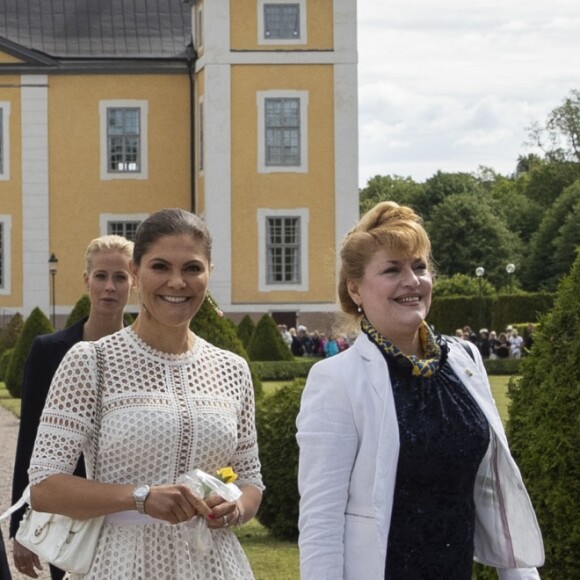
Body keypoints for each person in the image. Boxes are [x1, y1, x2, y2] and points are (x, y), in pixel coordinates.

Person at [296, 201, 543, 579]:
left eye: (419, 266)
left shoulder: (466, 359)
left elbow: (492, 488)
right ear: (355, 289)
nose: (411, 281)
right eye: (392, 269)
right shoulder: (336, 380)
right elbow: (320, 520)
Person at [27, 208, 263, 579]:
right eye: (160, 267)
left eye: (192, 268)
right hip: (119, 562)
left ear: (209, 274)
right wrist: (140, 497)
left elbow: (249, 479)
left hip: (214, 565)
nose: (176, 282)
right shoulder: (93, 361)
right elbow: (44, 486)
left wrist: (234, 508)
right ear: (136, 274)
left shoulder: (232, 368)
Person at [10, 234, 134, 580]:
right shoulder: (49, 350)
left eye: (120, 277)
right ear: (86, 280)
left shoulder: (143, 354)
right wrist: (22, 524)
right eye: (101, 276)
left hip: (127, 510)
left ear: (134, 281)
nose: (110, 287)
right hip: (66, 508)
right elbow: (31, 439)